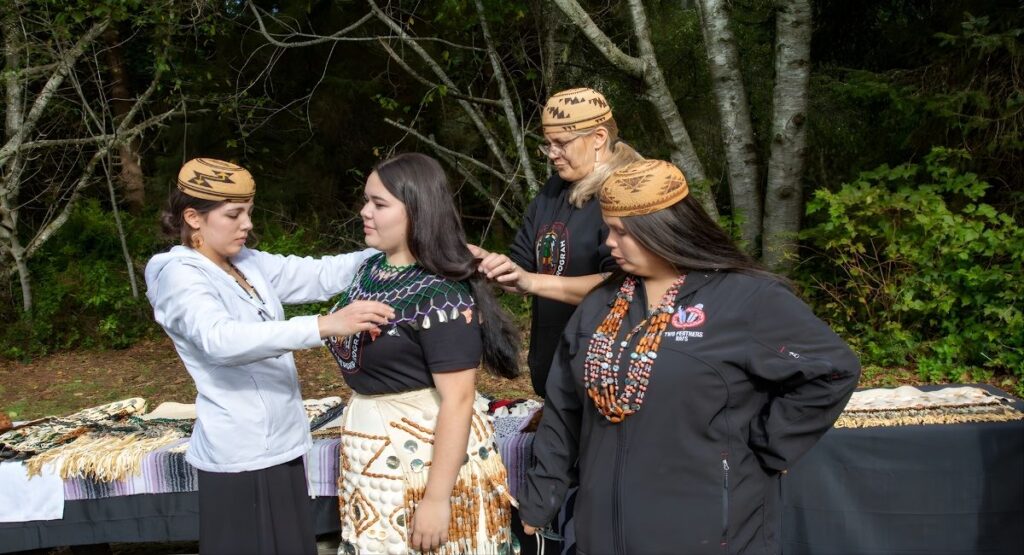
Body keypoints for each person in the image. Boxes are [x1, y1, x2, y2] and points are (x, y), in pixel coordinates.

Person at [517, 160, 861, 555]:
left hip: (709, 532)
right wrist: (542, 496)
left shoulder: (745, 299)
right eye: (609, 229)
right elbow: (564, 408)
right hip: (603, 533)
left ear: (664, 230)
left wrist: (767, 446)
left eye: (622, 232)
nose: (608, 243)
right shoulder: (600, 304)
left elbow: (832, 370)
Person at [145, 158, 394, 555]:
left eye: (248, 212)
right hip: (240, 454)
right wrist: (325, 325)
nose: (247, 224)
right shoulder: (177, 273)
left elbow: (322, 274)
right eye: (234, 215)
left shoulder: (244, 263)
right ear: (193, 217)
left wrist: (407, 249)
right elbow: (220, 340)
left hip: (282, 443)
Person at [324, 153, 521, 555]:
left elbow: (459, 399)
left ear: (417, 210)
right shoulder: (369, 271)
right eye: (366, 200)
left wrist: (436, 499)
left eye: (379, 204)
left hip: (426, 460)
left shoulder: (442, 293)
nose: (365, 212)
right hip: (371, 456)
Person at [472, 87, 643, 398]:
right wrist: (489, 265)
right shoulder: (554, 190)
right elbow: (522, 268)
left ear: (599, 137)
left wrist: (532, 281)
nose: (552, 154)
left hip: (606, 377)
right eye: (548, 144)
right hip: (554, 372)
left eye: (561, 143)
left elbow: (624, 286)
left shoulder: (628, 193)